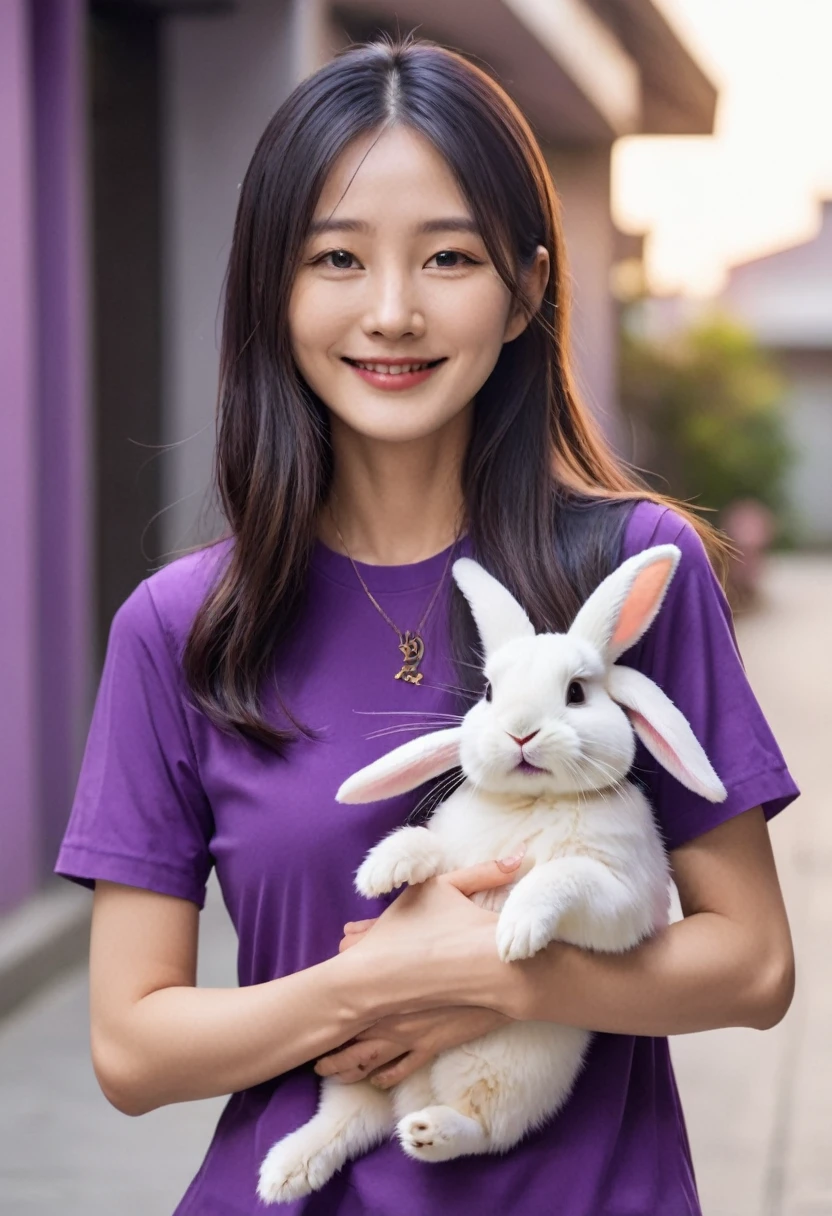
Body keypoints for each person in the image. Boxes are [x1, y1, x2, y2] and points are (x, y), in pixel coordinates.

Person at [55, 34, 800, 1216]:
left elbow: (753, 963)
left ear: (527, 287)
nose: (392, 312)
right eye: (337, 258)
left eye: (448, 256)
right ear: (274, 291)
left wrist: (509, 980)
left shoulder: (627, 568)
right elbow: (134, 1049)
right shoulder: (184, 624)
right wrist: (381, 985)